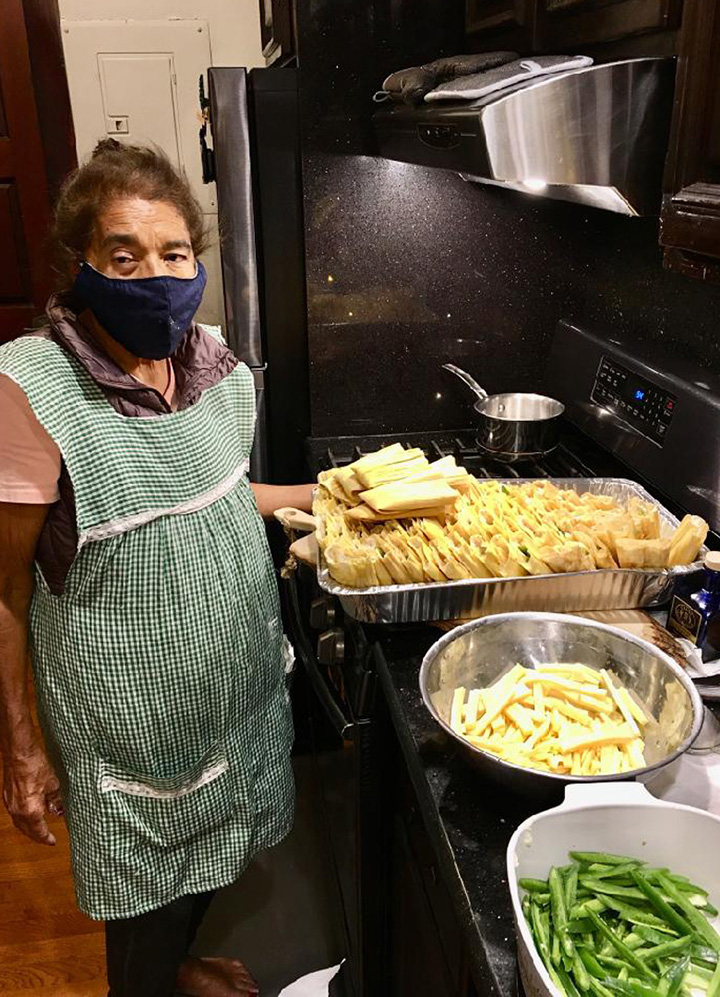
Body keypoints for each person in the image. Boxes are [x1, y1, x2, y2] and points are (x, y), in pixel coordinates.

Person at [0, 139, 313, 997]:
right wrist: (20, 747)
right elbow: (7, 586)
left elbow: (216, 494)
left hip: (233, 693)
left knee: (215, 857)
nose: (155, 274)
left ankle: (186, 961)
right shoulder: (35, 387)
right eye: (123, 255)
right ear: (83, 266)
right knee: (144, 892)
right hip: (128, 725)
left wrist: (328, 492)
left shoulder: (211, 363)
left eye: (173, 253)